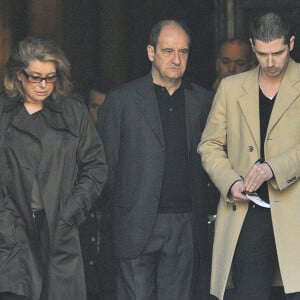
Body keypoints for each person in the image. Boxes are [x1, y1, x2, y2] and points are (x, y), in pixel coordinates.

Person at [97, 19, 218, 300]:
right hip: (135, 223)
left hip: (185, 224)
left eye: (183, 52)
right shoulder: (121, 101)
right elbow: (106, 167)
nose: (176, 59)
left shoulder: (204, 101)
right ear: (151, 52)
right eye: (167, 51)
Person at [198, 11, 300, 300]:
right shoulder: (231, 88)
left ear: (291, 43)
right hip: (247, 214)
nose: (270, 62)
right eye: (263, 53)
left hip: (295, 213)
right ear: (253, 46)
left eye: (278, 53)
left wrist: (273, 168)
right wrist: (230, 182)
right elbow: (209, 144)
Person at [0, 37, 107, 300]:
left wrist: (72, 210)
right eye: (36, 77)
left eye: (50, 77)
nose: (43, 85)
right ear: (18, 76)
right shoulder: (3, 114)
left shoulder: (73, 112)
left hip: (60, 226)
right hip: (13, 230)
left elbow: (96, 166)